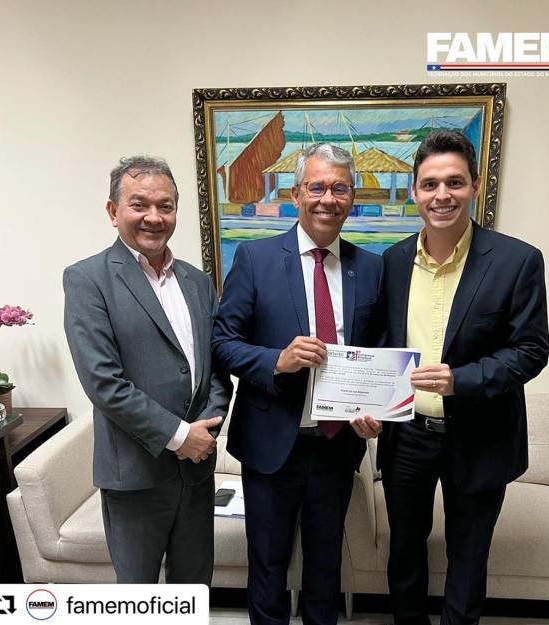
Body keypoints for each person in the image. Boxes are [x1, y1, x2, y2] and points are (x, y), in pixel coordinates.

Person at [364, 129, 549, 625]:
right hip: (408, 437)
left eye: (454, 182)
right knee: (405, 551)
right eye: (429, 184)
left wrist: (459, 380)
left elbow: (531, 351)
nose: (441, 195)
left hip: (481, 433)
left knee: (468, 557)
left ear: (475, 186)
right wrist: (370, 404)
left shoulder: (517, 261)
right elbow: (383, 346)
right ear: (414, 192)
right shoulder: (393, 261)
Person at [212, 143, 383, 625]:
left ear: (352, 198)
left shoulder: (371, 267)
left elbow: (379, 351)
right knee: (268, 566)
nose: (328, 199)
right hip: (271, 445)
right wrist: (277, 361)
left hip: (337, 445)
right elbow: (222, 343)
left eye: (340, 188)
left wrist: (377, 412)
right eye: (317, 187)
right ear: (295, 194)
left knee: (325, 568)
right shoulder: (255, 257)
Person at [63, 155, 232, 583]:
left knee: (193, 591)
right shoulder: (88, 280)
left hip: (196, 473)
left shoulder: (197, 282)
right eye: (139, 205)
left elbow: (217, 369)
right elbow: (104, 383)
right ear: (113, 211)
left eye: (165, 206)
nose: (154, 217)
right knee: (139, 600)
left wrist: (205, 433)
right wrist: (179, 436)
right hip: (135, 476)